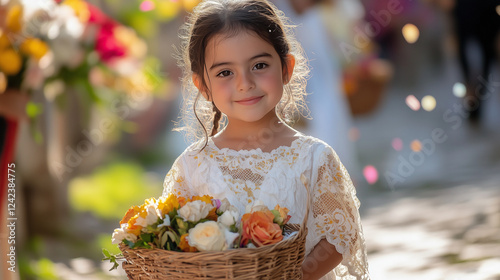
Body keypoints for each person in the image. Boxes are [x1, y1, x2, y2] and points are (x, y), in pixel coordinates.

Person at [162, 0, 370, 279]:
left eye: (259, 65)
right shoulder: (192, 164)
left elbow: (341, 235)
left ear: (286, 68)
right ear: (203, 85)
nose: (244, 83)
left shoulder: (314, 158)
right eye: (225, 72)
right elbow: (175, 238)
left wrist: (296, 275)